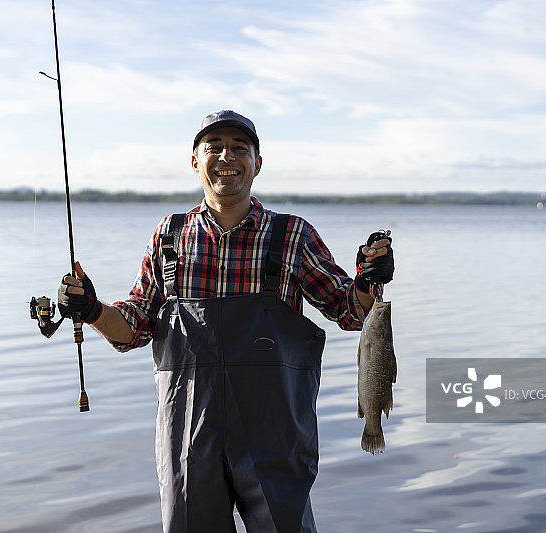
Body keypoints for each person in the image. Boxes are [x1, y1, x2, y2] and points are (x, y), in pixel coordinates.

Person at [58, 110, 394, 533]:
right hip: (188, 438)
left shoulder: (292, 235)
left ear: (257, 162)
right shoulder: (169, 235)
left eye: (239, 148)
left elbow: (349, 310)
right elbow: (136, 326)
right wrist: (92, 311)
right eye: (213, 147)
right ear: (195, 161)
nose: (226, 157)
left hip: (276, 438)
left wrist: (367, 278)